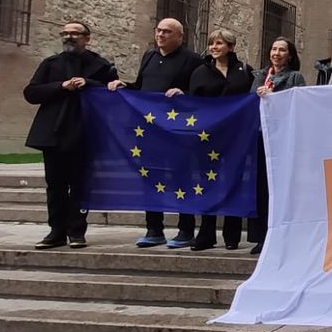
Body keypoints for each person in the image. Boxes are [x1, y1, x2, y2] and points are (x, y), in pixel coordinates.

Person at [22, 20, 118, 250]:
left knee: (80, 186)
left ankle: (77, 232)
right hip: (53, 133)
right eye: (65, 33)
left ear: (87, 38)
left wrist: (89, 83)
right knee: (55, 186)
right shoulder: (51, 63)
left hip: (86, 133)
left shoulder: (102, 65)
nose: (68, 37)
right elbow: (31, 93)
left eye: (74, 33)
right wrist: (61, 86)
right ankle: (56, 232)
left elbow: (114, 95)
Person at [108, 18, 203, 248]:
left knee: (181, 179)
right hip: (149, 130)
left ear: (180, 36)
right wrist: (124, 86)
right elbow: (141, 87)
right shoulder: (149, 55)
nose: (161, 35)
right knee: (150, 179)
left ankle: (186, 230)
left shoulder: (192, 60)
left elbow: (200, 93)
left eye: (167, 32)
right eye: (159, 30)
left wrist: (184, 92)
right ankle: (154, 229)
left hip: (177, 131)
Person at [188, 28, 255, 252]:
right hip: (208, 136)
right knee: (208, 184)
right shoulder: (200, 72)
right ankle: (206, 234)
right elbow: (193, 103)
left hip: (237, 136)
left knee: (234, 182)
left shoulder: (244, 71)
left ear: (230, 46)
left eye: (219, 43)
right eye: (212, 44)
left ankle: (232, 234)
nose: (214, 47)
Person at [250, 38, 306, 255]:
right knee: (261, 189)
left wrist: (274, 99)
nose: (277, 53)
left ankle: (281, 234)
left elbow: (298, 105)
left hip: (282, 139)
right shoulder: (259, 76)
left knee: (280, 188)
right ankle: (260, 236)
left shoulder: (295, 77)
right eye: (274, 49)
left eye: (282, 50)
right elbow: (248, 103)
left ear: (290, 55)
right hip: (260, 137)